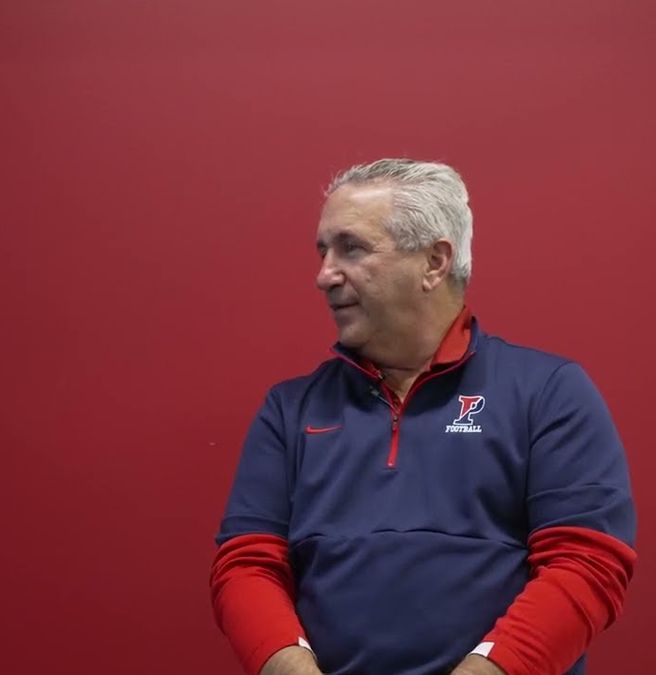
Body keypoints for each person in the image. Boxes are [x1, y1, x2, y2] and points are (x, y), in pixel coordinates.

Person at [210, 159, 636, 675]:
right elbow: (247, 564)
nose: (324, 276)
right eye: (323, 251)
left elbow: (586, 564)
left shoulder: (548, 390)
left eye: (352, 248)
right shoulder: (289, 408)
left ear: (434, 262)